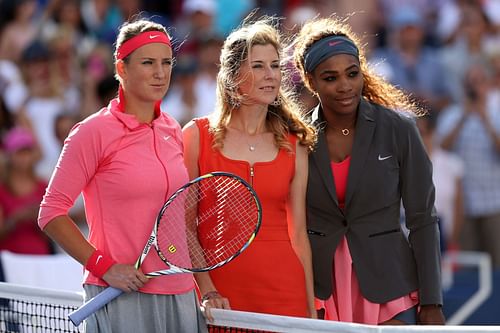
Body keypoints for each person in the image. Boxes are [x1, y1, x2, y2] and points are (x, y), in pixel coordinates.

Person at [37, 19, 207, 332]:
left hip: (180, 290)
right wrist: (106, 267)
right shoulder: (91, 132)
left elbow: (179, 218)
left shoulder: (172, 128)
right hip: (119, 293)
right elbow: (50, 214)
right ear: (122, 68)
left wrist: (205, 287)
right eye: (148, 63)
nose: (160, 72)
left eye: (166, 62)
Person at [292, 16, 445, 325]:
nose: (345, 86)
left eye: (352, 73)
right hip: (322, 289)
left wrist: (432, 301)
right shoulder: (297, 137)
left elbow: (423, 219)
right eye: (330, 78)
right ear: (311, 81)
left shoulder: (399, 129)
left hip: (390, 283)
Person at [182, 17, 317, 319]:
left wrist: (310, 310)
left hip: (286, 294)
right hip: (222, 300)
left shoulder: (294, 143)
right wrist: (207, 289)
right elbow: (185, 226)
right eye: (258, 66)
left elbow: (299, 235)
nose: (271, 75)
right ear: (232, 74)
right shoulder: (196, 136)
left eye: (275, 65)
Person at [0, 126, 52, 255]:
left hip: (39, 257)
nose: (24, 158)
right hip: (9, 260)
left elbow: (52, 234)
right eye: (19, 152)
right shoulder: (2, 189)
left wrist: (39, 220)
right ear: (10, 155)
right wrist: (15, 219)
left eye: (27, 152)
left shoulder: (43, 186)